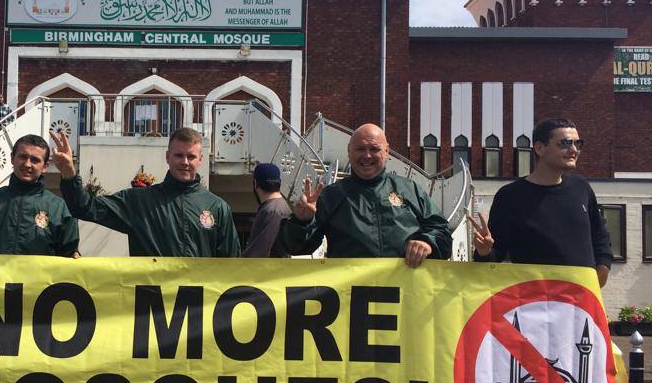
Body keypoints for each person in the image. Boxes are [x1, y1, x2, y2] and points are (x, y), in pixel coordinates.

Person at [279, 123, 451, 266]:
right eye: (360, 149)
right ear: (349, 151)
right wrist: (301, 222)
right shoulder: (332, 195)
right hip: (350, 299)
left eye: (374, 149)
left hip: (405, 297)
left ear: (387, 151)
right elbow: (295, 247)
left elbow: (442, 233)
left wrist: (428, 242)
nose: (367, 155)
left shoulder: (410, 190)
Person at [52, 127, 240, 257]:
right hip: (151, 307)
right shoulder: (138, 202)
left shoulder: (217, 207)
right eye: (178, 155)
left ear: (200, 159)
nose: (185, 162)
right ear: (168, 157)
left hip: (199, 310)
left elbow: (231, 263)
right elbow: (84, 207)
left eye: (191, 156)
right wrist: (69, 175)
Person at [470, 117, 612, 286]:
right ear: (539, 148)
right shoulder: (510, 196)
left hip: (581, 302)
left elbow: (600, 235)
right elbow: (496, 255)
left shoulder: (581, 187)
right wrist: (484, 252)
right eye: (565, 143)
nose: (574, 150)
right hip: (533, 303)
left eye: (578, 143)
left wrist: (602, 270)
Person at [0, 134, 79, 256]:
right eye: (22, 157)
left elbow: (69, 259)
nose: (27, 164)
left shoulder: (59, 208)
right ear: (12, 158)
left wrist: (75, 254)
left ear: (45, 166)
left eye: (35, 160)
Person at [244, 162, 291, 258]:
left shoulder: (272, 211)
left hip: (270, 272)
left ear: (255, 183)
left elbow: (258, 253)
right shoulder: (281, 206)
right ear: (279, 183)